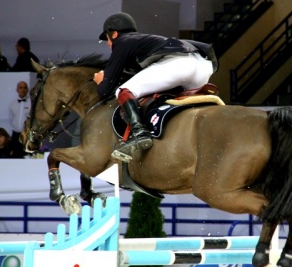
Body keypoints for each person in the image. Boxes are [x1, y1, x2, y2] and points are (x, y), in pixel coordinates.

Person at [93, 12, 218, 162]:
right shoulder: (143, 41)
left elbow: (105, 91)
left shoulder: (123, 42)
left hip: (180, 64)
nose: (107, 44)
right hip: (202, 65)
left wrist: (100, 80)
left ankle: (140, 132)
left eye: (107, 38)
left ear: (114, 34)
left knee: (124, 91)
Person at [9, 81, 31, 158]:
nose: (23, 90)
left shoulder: (31, 103)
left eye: (25, 88)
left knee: (27, 156)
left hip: (27, 135)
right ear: (17, 89)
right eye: (20, 87)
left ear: (27, 89)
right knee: (15, 156)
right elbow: (11, 119)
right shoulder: (12, 104)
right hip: (15, 135)